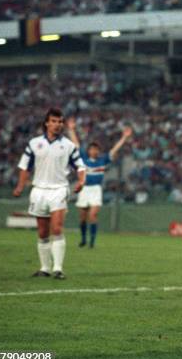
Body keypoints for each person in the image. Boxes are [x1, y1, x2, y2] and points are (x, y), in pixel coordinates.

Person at [13, 108, 86, 280]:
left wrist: (81, 181)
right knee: (42, 232)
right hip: (38, 190)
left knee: (57, 228)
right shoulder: (34, 143)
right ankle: (45, 268)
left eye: (60, 121)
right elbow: (25, 167)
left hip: (59, 189)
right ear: (47, 123)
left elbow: (80, 166)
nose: (57, 124)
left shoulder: (69, 145)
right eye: (54, 121)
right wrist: (20, 186)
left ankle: (58, 269)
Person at [66, 118, 133, 248]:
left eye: (96, 149)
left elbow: (114, 150)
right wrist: (71, 129)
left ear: (98, 151)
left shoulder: (102, 160)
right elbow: (76, 143)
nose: (94, 151)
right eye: (92, 149)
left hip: (96, 189)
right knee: (83, 217)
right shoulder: (84, 159)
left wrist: (124, 138)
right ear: (89, 150)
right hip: (84, 189)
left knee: (93, 215)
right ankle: (84, 239)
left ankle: (92, 241)